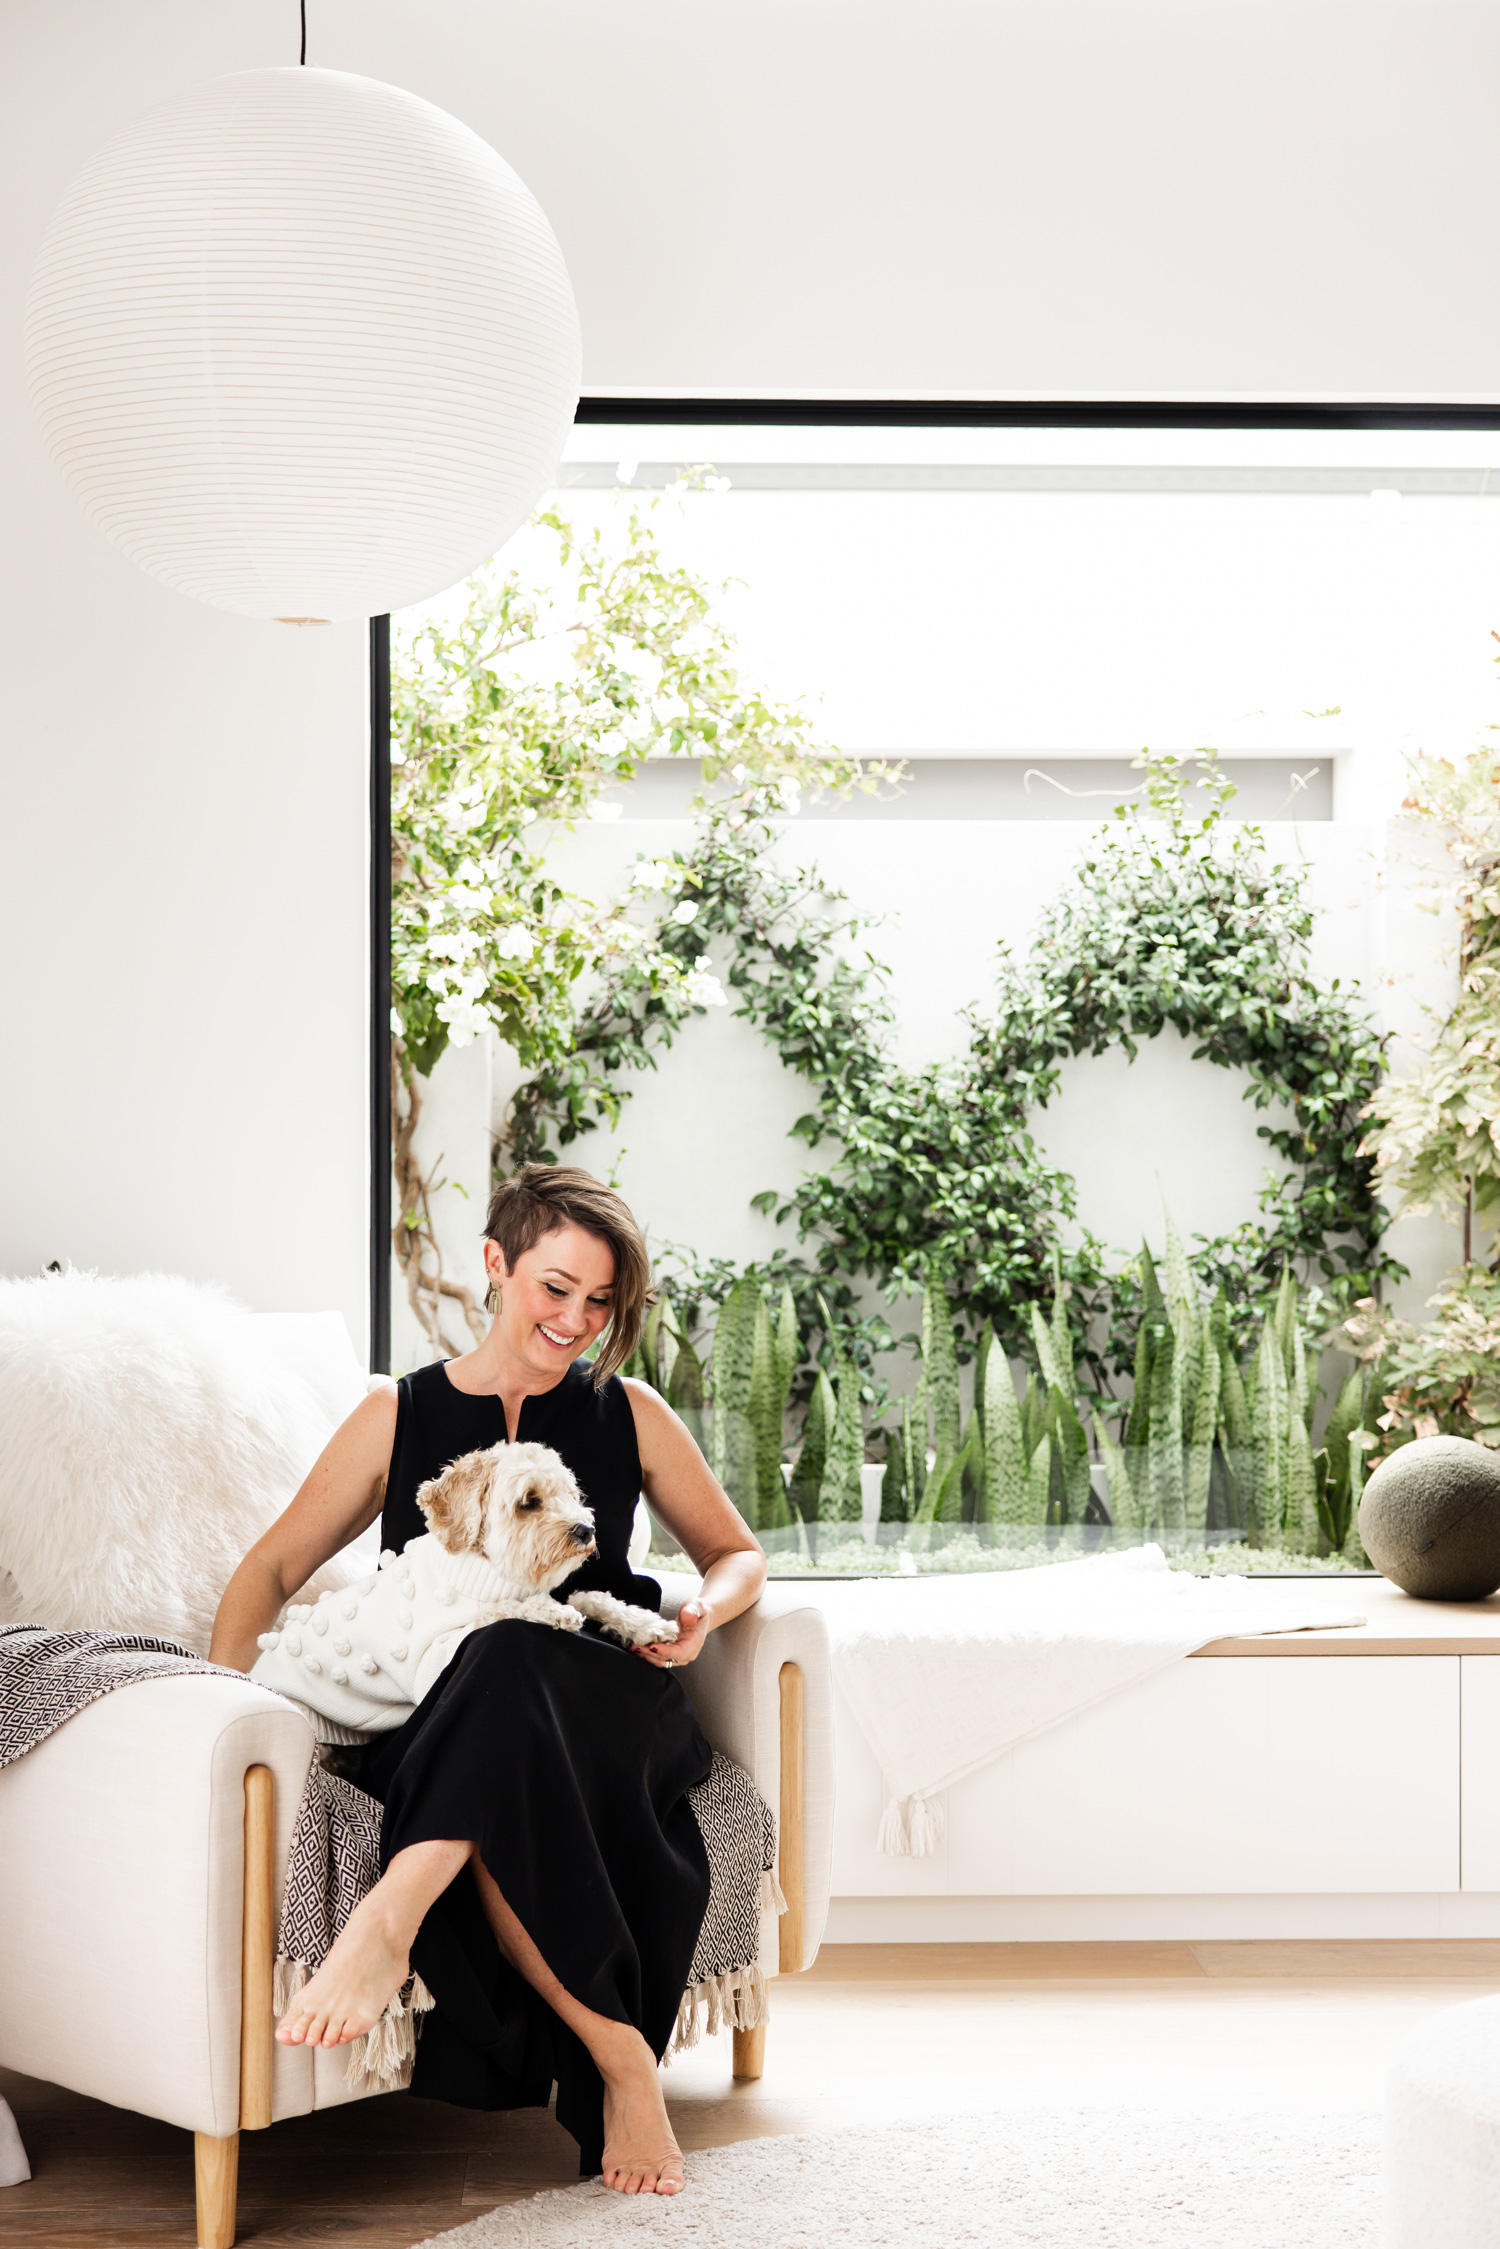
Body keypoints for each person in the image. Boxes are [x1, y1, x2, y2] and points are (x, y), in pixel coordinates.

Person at [209, 1166, 766, 2197]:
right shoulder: (399, 1409)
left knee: (508, 1657)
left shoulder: (628, 1409)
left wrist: (702, 1616)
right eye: (556, 1287)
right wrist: (219, 1700)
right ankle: (621, 2063)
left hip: (607, 1693)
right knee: (490, 1687)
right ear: (496, 1264)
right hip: (460, 1711)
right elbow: (274, 1568)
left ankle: (389, 1919)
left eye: (601, 1300)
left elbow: (737, 1552)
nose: (577, 1319)